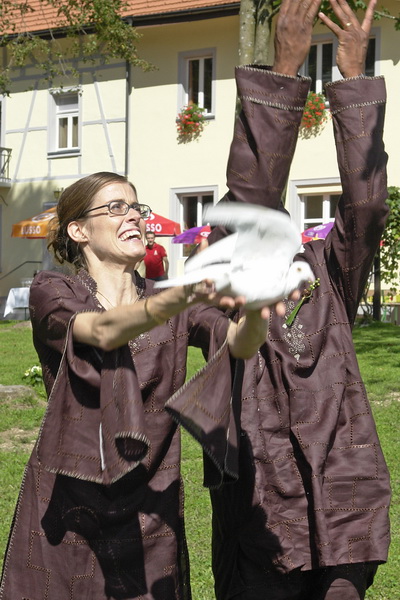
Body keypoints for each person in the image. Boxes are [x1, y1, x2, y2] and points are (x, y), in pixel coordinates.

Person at [169, 0, 391, 598]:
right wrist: (285, 74)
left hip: (344, 494)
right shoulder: (211, 295)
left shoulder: (329, 276)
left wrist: (352, 81)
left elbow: (366, 209)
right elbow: (252, 196)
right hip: (264, 507)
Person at [0, 171, 288, 600]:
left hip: (150, 509)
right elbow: (103, 331)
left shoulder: (169, 299)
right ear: (79, 230)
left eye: (136, 207)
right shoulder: (54, 290)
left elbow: (236, 343)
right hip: (71, 507)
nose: (134, 215)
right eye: (116, 207)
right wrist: (183, 294)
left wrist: (258, 312)